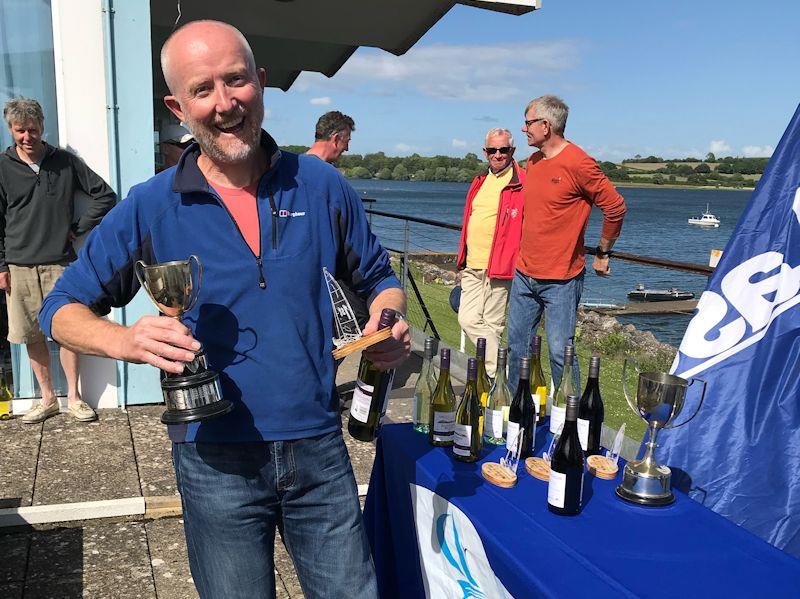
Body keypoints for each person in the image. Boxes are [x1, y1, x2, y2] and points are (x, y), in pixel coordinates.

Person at [39, 21, 409, 599]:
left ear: (259, 83)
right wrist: (124, 340)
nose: (225, 102)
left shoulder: (319, 183)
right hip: (214, 459)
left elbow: (381, 278)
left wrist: (386, 324)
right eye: (203, 89)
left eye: (236, 80)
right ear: (178, 106)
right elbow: (60, 308)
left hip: (318, 449)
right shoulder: (153, 203)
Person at [0, 98, 116, 424]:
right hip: (19, 266)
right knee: (31, 336)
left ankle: (74, 398)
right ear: (11, 129)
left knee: (68, 333)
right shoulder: (3, 167)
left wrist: (76, 229)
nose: (27, 137)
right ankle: (47, 399)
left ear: (42, 127)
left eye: (33, 129)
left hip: (61, 265)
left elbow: (105, 195)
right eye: (20, 130)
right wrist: (1, 266)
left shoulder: (64, 162)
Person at [507, 95, 626, 392]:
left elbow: (615, 207)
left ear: (545, 126)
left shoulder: (580, 163)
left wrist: (603, 252)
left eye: (528, 122)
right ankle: (515, 409)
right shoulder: (533, 162)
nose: (524, 130)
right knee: (515, 348)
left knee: (561, 353)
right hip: (524, 274)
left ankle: (566, 423)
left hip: (561, 279)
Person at [455, 128, 525, 377]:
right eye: (493, 150)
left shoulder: (522, 183)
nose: (498, 155)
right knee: (468, 319)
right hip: (473, 264)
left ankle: (491, 382)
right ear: (485, 152)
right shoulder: (480, 182)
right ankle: (503, 372)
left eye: (503, 150)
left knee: (493, 326)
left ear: (512, 151)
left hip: (501, 267)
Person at [305, 111, 369, 328]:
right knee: (358, 316)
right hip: (327, 270)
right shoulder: (329, 177)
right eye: (347, 141)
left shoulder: (294, 169)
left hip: (307, 270)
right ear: (335, 138)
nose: (348, 149)